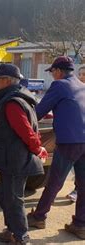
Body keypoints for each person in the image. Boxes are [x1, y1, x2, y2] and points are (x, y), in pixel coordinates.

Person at [0, 64, 47, 244]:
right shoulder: (20, 98)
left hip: (15, 160)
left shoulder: (12, 103)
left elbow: (26, 131)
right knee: (5, 197)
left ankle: (21, 237)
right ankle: (11, 231)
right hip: (10, 158)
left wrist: (38, 148)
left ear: (5, 81)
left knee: (13, 200)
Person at [27, 56, 85, 240]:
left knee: (55, 181)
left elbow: (38, 111)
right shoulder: (82, 85)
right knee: (83, 185)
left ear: (58, 71)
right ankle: (80, 225)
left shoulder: (60, 86)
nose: (52, 76)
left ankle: (38, 217)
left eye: (52, 72)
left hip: (69, 142)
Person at [66, 65, 85, 202]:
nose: (82, 77)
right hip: (78, 136)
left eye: (84, 74)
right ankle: (77, 190)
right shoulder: (76, 91)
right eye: (81, 74)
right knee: (79, 167)